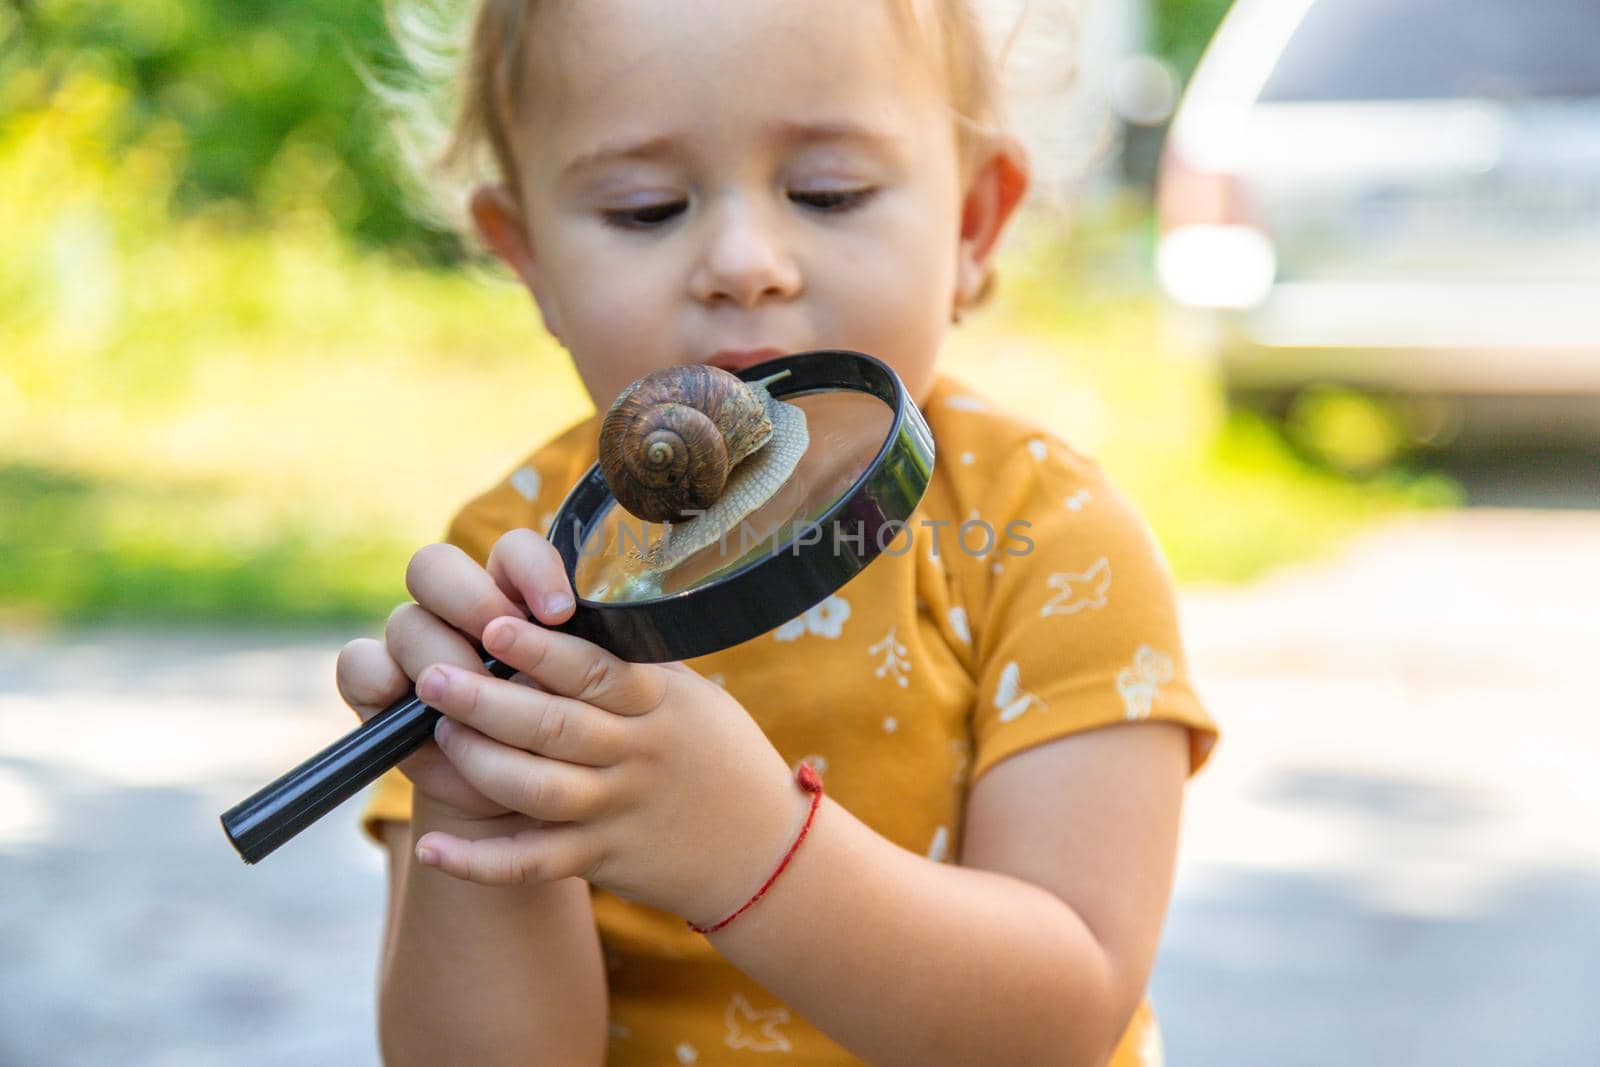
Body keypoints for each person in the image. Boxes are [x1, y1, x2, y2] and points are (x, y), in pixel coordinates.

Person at [344, 1, 1220, 1064]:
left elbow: (1060, 1020)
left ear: (974, 223)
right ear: (528, 258)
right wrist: (484, 812)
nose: (744, 261)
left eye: (827, 192)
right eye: (645, 207)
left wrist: (750, 848)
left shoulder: (1048, 537)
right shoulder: (516, 567)